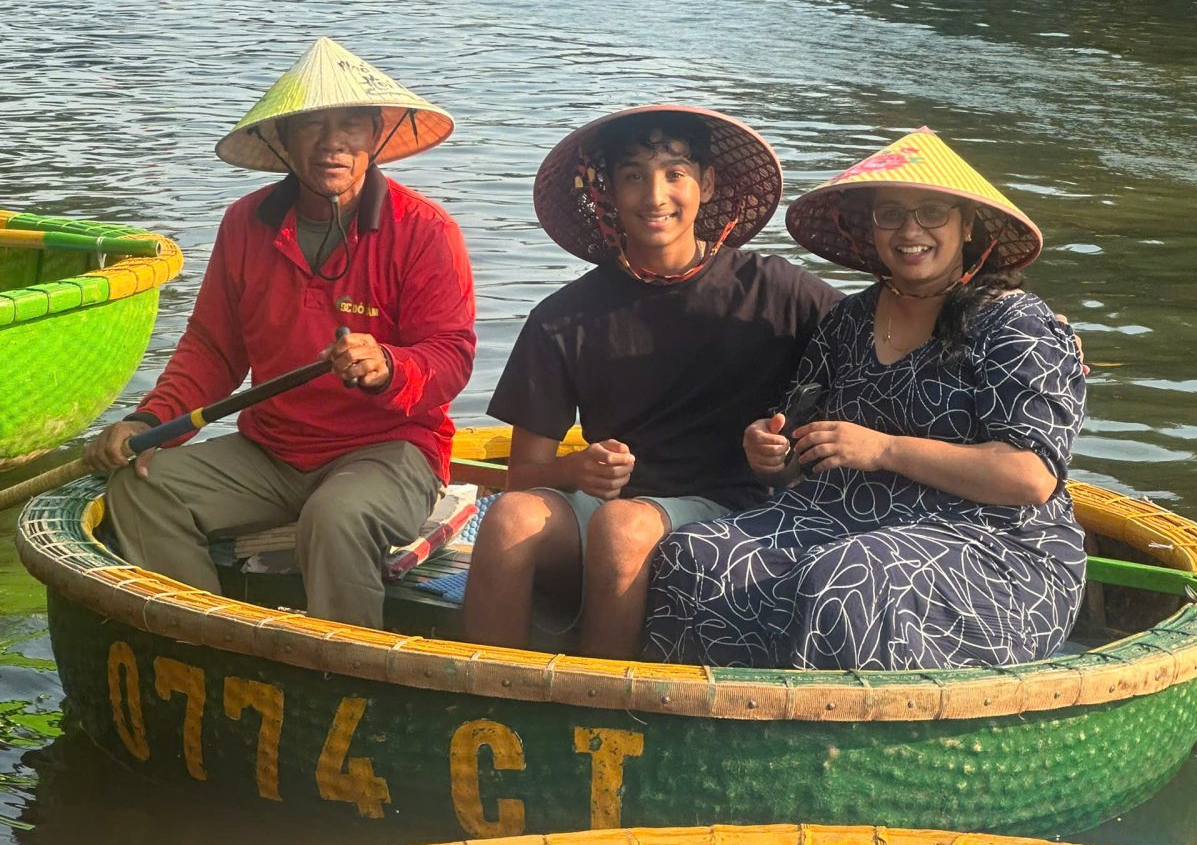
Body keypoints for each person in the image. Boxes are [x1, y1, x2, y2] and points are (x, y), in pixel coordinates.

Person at [644, 127, 1086, 672]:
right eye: (890, 214)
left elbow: (1030, 477)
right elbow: (799, 456)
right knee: (694, 556)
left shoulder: (1016, 323)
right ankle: (700, 717)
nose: (910, 231)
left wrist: (884, 450)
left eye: (932, 213)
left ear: (967, 226)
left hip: (992, 546)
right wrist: (770, 452)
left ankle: (829, 727)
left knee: (846, 578)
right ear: (871, 228)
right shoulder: (848, 321)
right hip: (841, 518)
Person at [83, 37, 476, 632]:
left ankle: (343, 669)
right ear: (283, 140)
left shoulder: (425, 229)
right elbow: (212, 349)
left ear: (376, 135)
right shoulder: (246, 222)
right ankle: (206, 647)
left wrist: (390, 366)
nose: (332, 142)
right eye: (312, 126)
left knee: (337, 516)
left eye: (351, 124)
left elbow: (451, 356)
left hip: (390, 449)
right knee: (142, 487)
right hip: (271, 448)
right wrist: (149, 423)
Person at [461, 105, 840, 657]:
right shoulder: (562, 318)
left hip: (735, 513)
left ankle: (599, 698)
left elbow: (871, 349)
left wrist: (792, 433)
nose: (655, 196)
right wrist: (575, 469)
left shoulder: (775, 290)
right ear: (609, 194)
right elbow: (522, 476)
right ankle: (485, 688)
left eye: (674, 174)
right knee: (508, 519)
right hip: (611, 508)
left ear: (708, 185)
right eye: (634, 176)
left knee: (622, 528)